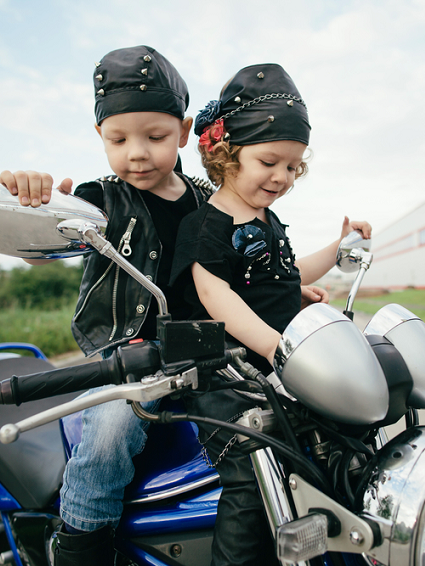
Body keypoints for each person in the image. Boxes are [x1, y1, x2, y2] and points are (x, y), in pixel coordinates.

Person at [0, 48, 331, 565]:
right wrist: (33, 204)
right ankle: (81, 543)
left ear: (183, 130)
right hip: (130, 357)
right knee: (108, 433)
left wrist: (286, 293)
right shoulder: (100, 199)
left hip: (207, 352)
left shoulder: (208, 199)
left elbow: (231, 268)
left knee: (282, 423)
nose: (137, 153)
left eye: (154, 137)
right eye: (119, 138)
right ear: (100, 136)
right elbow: (45, 251)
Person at [170, 63, 371, 566]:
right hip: (227, 375)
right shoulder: (205, 225)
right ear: (224, 153)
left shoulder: (269, 220)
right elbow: (219, 297)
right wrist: (273, 346)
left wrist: (338, 247)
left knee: (331, 450)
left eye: (292, 166)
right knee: (247, 471)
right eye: (269, 161)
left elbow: (287, 271)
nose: (281, 177)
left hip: (281, 368)